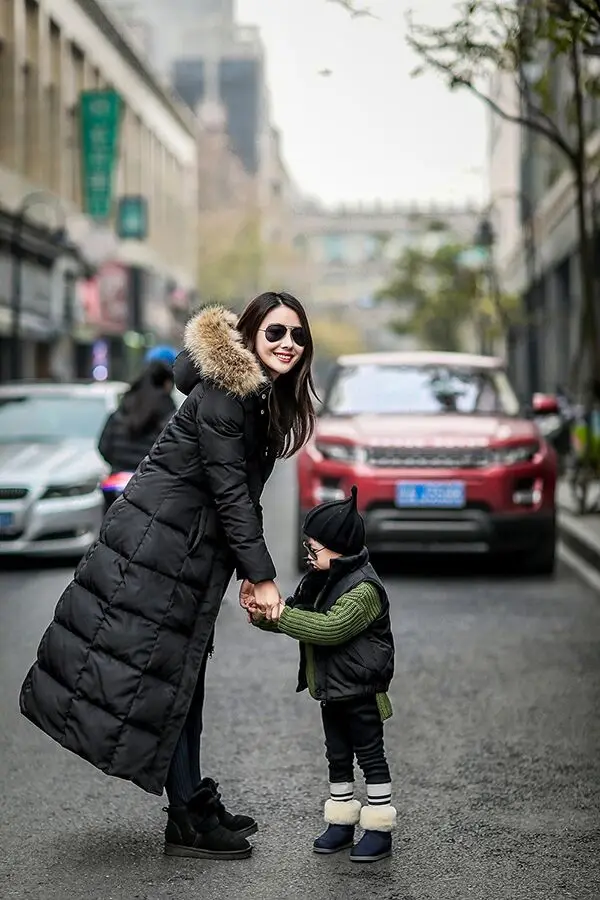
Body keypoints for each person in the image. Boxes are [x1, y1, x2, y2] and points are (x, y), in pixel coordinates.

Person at [19, 292, 318, 861]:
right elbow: (231, 495)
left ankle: (190, 801)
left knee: (181, 678)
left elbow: (233, 498)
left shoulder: (250, 397)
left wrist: (246, 572)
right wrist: (262, 577)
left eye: (298, 336)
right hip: (159, 552)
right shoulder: (228, 396)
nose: (287, 344)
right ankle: (186, 817)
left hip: (183, 553)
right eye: (275, 332)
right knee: (170, 679)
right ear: (251, 335)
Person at [249, 486, 396, 863]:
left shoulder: (364, 589)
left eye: (314, 550)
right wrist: (265, 615)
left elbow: (330, 628)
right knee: (337, 756)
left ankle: (379, 828)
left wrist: (282, 615)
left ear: (340, 548)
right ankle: (341, 821)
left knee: (370, 758)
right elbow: (298, 615)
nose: (309, 556)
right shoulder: (320, 579)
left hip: (361, 691)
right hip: (332, 689)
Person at [98, 359, 176, 476]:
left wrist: (118, 465)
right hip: (151, 480)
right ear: (167, 383)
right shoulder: (168, 410)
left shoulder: (125, 406)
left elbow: (103, 446)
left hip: (118, 477)